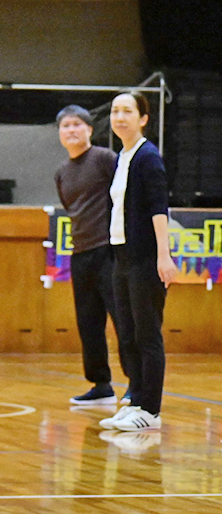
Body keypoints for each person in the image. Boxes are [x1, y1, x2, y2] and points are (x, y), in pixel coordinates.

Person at [99, 91, 177, 433]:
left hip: (145, 257)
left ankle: (151, 409)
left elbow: (159, 209)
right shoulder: (123, 157)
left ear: (143, 118)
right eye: (115, 111)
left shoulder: (148, 157)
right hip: (120, 256)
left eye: (127, 111)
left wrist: (164, 255)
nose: (120, 117)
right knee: (126, 332)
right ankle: (135, 400)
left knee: (147, 334)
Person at [54, 105, 131, 407]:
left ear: (89, 129)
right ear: (60, 133)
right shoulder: (61, 172)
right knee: (88, 322)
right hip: (80, 253)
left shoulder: (103, 158)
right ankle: (101, 385)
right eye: (65, 126)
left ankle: (136, 385)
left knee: (123, 319)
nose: (71, 130)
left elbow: (125, 194)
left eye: (77, 125)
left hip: (109, 251)